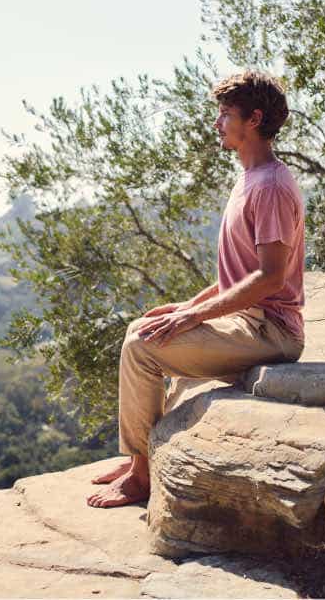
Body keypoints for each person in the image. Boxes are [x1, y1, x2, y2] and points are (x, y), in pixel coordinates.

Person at [85, 69, 306, 508]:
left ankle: (142, 476)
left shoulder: (272, 187)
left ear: (255, 119)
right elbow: (238, 275)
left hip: (272, 332)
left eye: (225, 114)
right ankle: (137, 458)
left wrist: (195, 317)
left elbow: (270, 277)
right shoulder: (250, 179)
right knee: (147, 326)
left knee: (143, 347)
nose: (217, 123)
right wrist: (186, 306)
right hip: (248, 321)